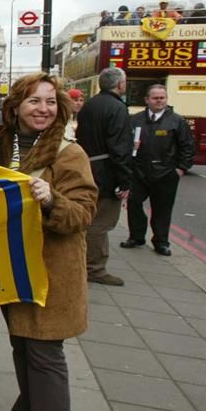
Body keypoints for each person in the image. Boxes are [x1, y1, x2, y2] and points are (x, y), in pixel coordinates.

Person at [0, 73, 97, 411]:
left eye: (50, 102)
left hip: (52, 272)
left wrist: (52, 199)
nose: (43, 109)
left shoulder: (69, 153)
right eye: (34, 101)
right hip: (12, 266)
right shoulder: (2, 145)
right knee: (22, 346)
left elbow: (84, 213)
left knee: (45, 356)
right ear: (16, 105)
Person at [120, 84, 196, 257]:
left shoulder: (177, 121)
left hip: (166, 173)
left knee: (162, 209)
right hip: (139, 171)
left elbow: (188, 147)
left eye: (163, 97)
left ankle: (161, 242)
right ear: (147, 100)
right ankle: (136, 236)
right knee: (134, 203)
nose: (160, 101)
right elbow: (125, 142)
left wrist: (181, 169)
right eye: (155, 98)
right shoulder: (135, 119)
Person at [76, 67, 132, 286]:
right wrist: (124, 179)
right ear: (120, 85)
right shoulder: (117, 108)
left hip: (87, 166)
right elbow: (120, 147)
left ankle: (85, 262)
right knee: (101, 222)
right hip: (106, 171)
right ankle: (95, 268)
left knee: (89, 218)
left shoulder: (90, 105)